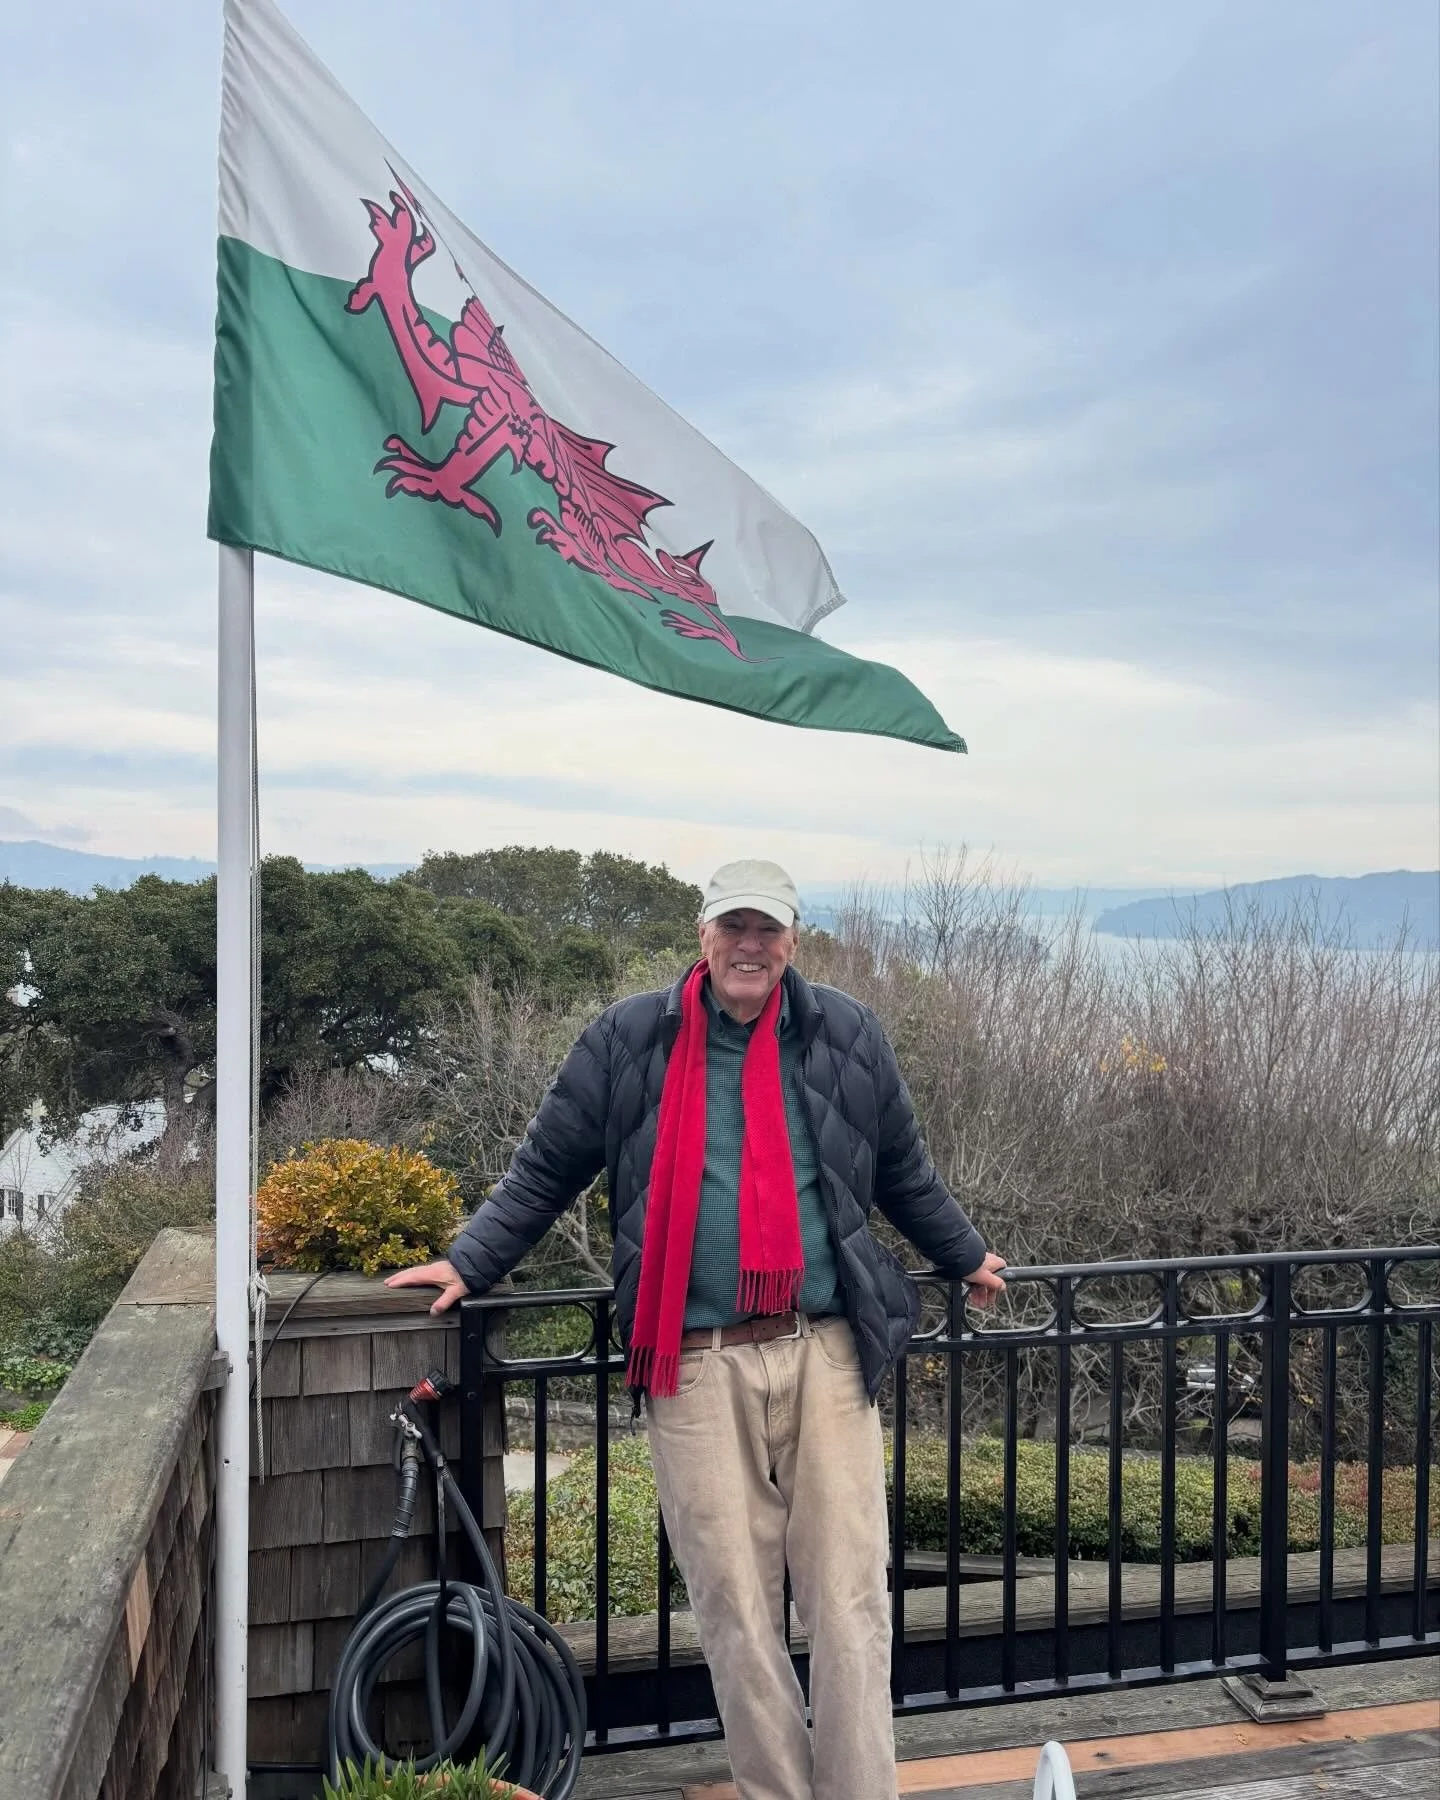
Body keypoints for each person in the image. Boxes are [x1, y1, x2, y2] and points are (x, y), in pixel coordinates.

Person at [388, 857, 1006, 1800]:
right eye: (734, 928)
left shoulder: (845, 1031)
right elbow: (548, 1166)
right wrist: (472, 1260)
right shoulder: (630, 1038)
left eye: (769, 930)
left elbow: (900, 1170)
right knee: (734, 1609)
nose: (750, 947)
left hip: (826, 1347)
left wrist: (965, 1252)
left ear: (793, 940)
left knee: (849, 1602)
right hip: (693, 1364)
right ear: (704, 935)